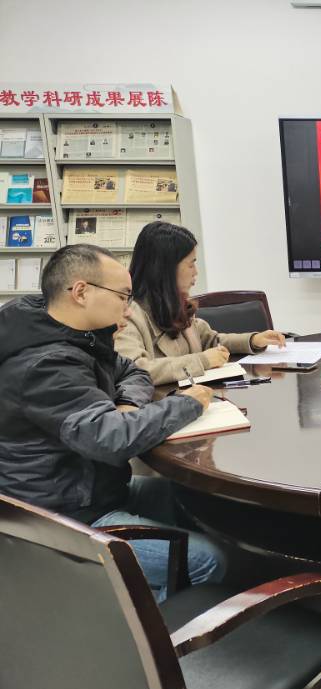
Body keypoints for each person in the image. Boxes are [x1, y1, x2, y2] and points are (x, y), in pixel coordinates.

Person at [0, 244, 224, 601]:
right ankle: (151, 632)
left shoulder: (77, 336)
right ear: (81, 292)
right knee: (207, 560)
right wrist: (187, 403)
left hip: (94, 487)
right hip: (65, 514)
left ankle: (155, 590)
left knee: (190, 496)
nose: (128, 308)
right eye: (122, 296)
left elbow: (134, 372)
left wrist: (126, 403)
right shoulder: (45, 366)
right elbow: (111, 440)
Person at [115, 222, 287, 385]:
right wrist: (202, 360)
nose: (196, 272)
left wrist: (253, 340)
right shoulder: (127, 317)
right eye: (191, 265)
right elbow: (135, 370)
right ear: (165, 269)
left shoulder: (175, 305)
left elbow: (211, 341)